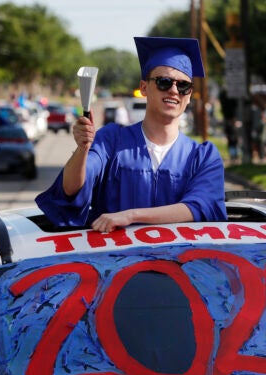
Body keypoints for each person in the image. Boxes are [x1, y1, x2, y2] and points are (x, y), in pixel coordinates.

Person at [36, 37, 227, 232]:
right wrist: (82, 150)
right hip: (114, 260)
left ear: (189, 95)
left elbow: (199, 207)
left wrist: (131, 215)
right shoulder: (111, 141)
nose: (174, 91)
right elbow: (71, 189)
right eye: (164, 82)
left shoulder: (203, 156)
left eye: (183, 85)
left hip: (177, 261)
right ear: (144, 87)